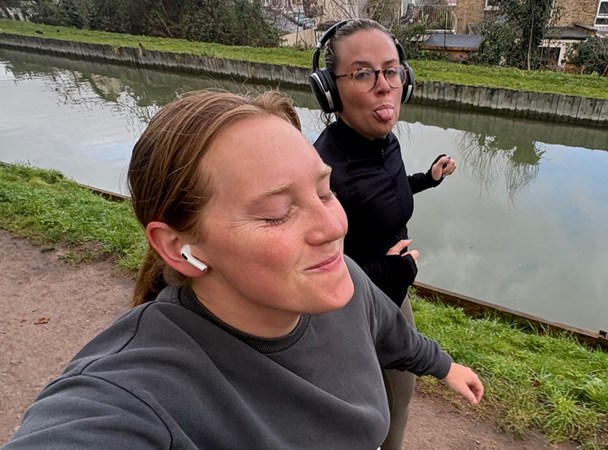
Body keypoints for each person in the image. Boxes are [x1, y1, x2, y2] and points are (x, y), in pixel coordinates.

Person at [3, 90, 482, 449]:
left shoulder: (342, 279)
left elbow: (390, 332)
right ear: (178, 247)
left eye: (324, 191)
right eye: (276, 213)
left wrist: (446, 366)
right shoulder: (136, 394)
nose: (333, 226)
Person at [310, 19, 457, 450]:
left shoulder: (385, 141)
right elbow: (311, 277)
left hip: (393, 292)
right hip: (350, 314)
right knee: (370, 413)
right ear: (329, 90)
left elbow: (385, 194)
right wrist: (386, 274)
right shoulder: (323, 171)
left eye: (391, 71)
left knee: (400, 395)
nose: (384, 86)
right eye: (362, 73)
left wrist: (427, 179)